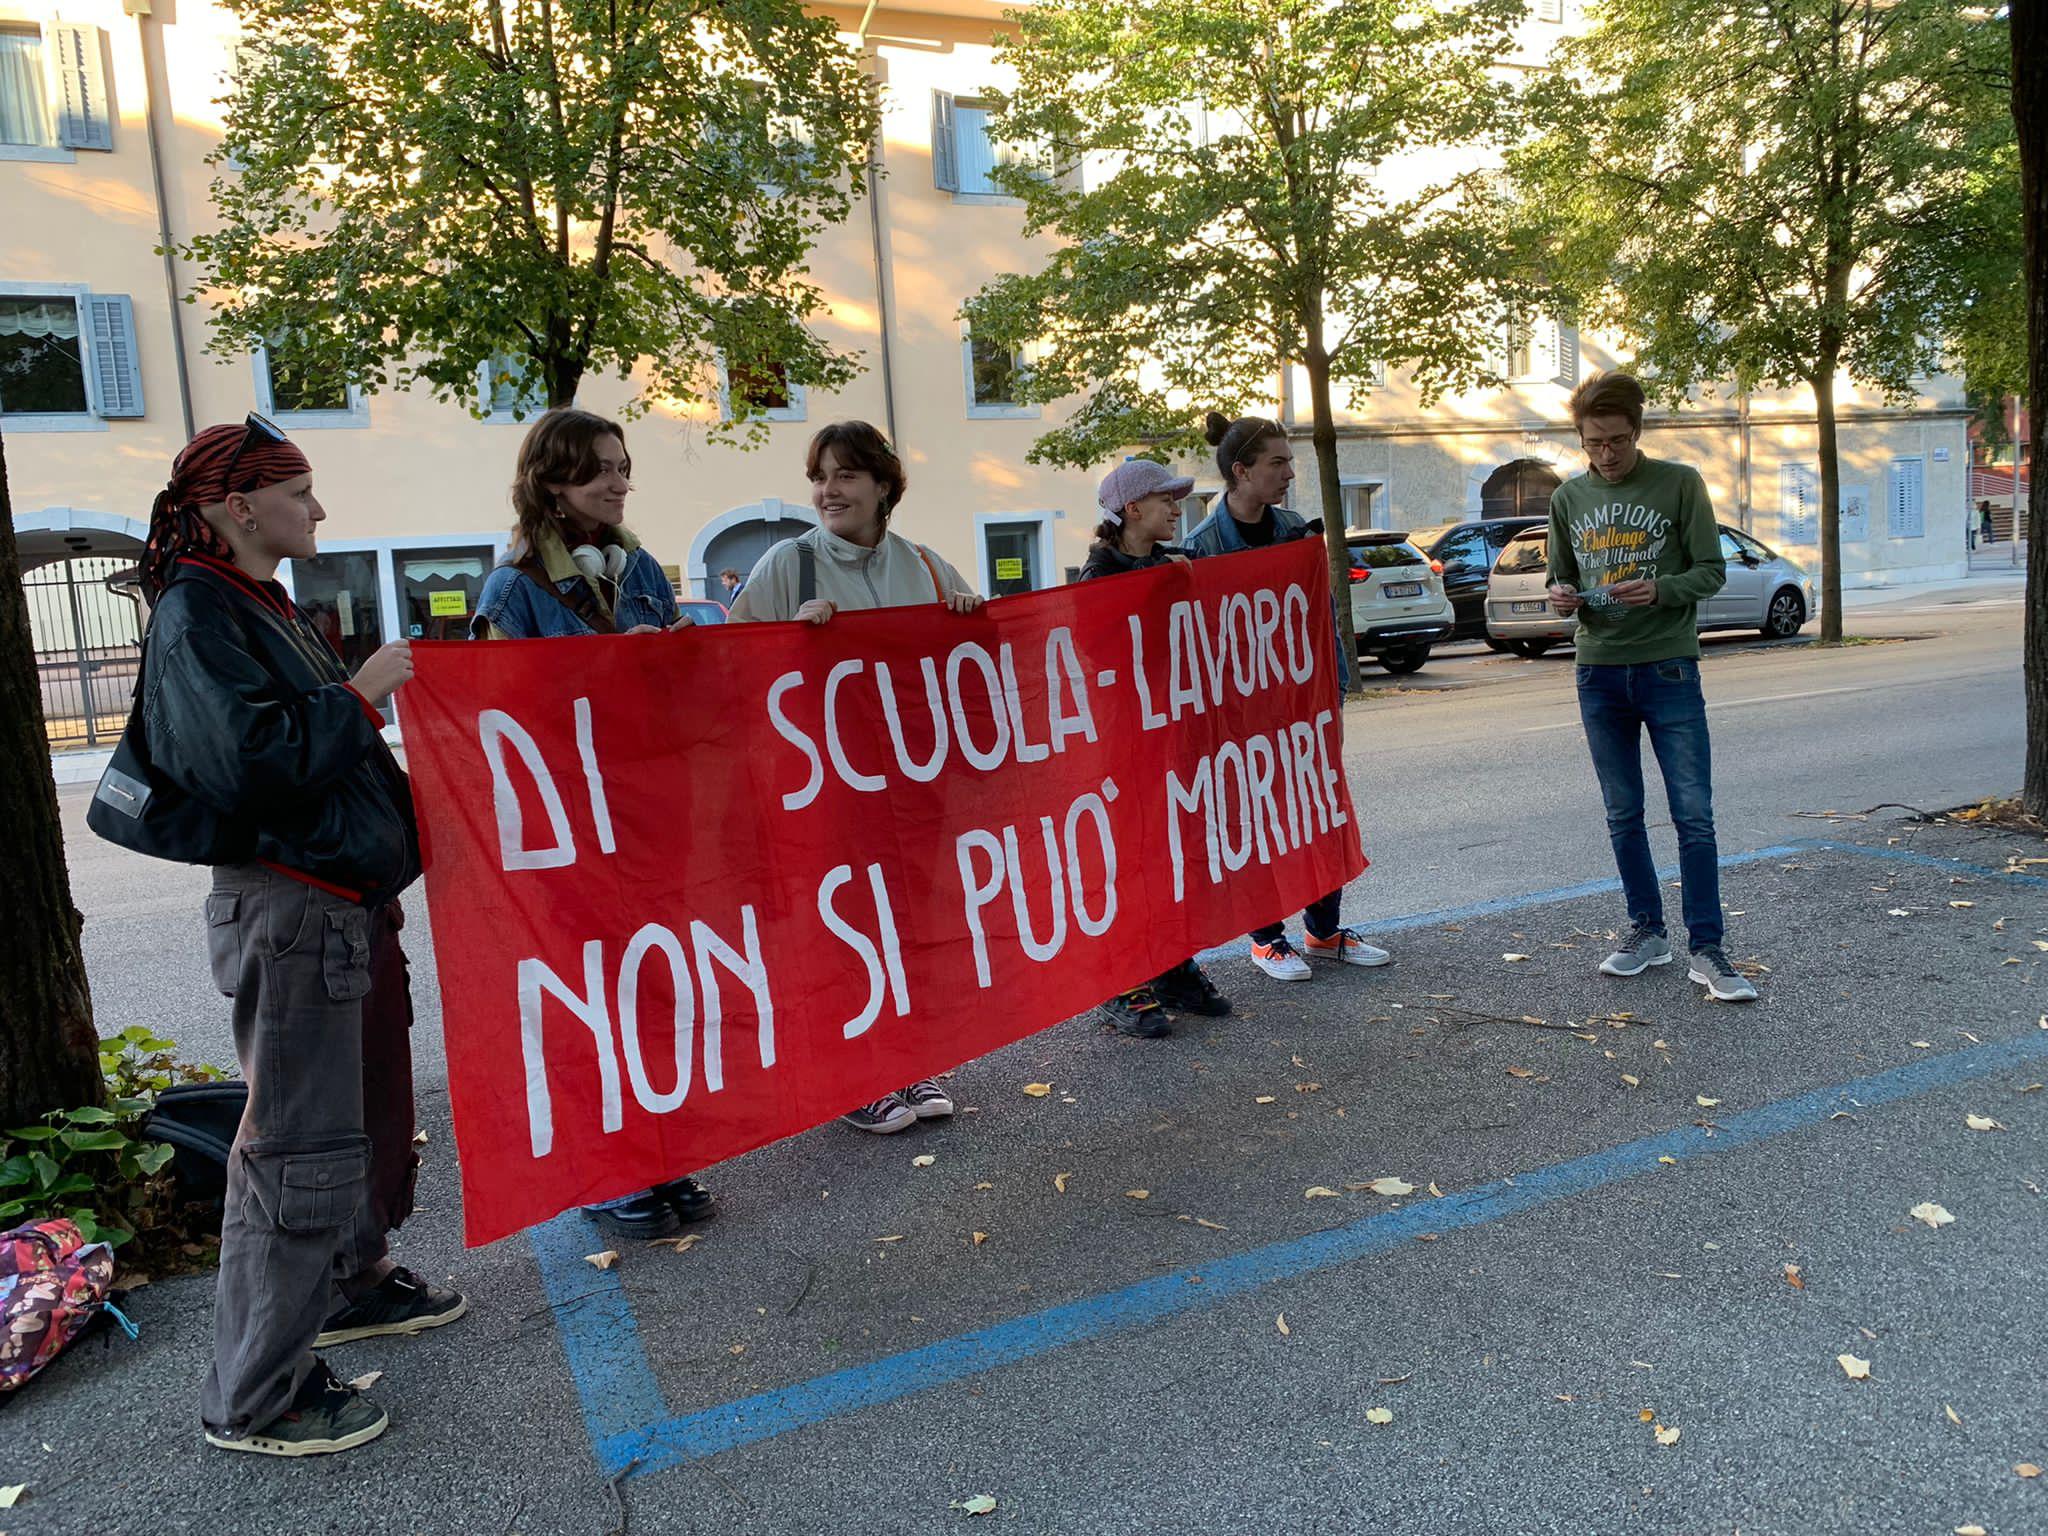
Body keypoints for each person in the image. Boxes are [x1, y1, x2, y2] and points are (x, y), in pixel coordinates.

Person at [131, 416, 464, 1458]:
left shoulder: (252, 602)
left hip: (336, 904)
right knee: (293, 1148)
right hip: (290, 912)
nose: (318, 511)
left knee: (353, 1118)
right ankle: (254, 1394)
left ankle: (348, 1285)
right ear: (238, 508)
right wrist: (359, 697)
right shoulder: (198, 612)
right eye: (301, 494)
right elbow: (248, 767)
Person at [471, 407, 718, 1240]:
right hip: (570, 833)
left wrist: (674, 660)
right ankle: (607, 1167)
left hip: (648, 819)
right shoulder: (511, 590)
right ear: (551, 484)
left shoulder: (640, 566)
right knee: (591, 998)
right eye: (599, 470)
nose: (620, 481)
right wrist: (607, 669)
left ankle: (660, 1149)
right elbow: (499, 722)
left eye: (622, 465)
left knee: (655, 988)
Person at [729, 421, 984, 1131]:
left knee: (908, 925)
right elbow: (734, 669)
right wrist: (787, 641)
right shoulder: (789, 565)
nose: (827, 491)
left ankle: (908, 1058)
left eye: (844, 475)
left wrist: (970, 621)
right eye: (819, 476)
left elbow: (978, 665)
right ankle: (854, 1075)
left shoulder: (927, 567)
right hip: (828, 788)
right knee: (843, 929)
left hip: (911, 785)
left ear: (882, 485)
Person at [1544, 372, 1756, 1003]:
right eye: (1593, 444)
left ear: (1638, 432)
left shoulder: (1680, 482)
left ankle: (1708, 949)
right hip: (1598, 669)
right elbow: (1561, 580)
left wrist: (1662, 589)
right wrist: (1559, 598)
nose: (1605, 455)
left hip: (1668, 666)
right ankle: (1647, 931)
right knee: (1622, 813)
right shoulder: (1568, 497)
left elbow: (1711, 570)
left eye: (1616, 441)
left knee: (1693, 814)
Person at [1183, 412, 1389, 983]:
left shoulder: (1296, 528)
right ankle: (1267, 939)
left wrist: (1336, 695)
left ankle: (1323, 931)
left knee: (1318, 809)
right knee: (1254, 818)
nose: (1290, 473)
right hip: (1242, 711)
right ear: (1241, 471)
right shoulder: (1202, 548)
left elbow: (1320, 620)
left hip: (1301, 705)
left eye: (1292, 462)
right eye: (1278, 463)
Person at [1072, 458, 1232, 1036]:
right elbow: (1100, 662)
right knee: (1128, 861)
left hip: (1173, 738)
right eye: (1166, 500)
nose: (1177, 509)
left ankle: (1170, 964)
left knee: (1175, 854)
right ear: (1132, 509)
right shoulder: (1097, 579)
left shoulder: (1173, 568)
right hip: (1121, 746)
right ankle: (1121, 980)